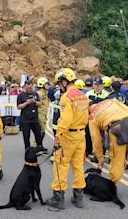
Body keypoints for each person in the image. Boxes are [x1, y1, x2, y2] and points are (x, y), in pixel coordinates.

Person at [46, 68, 89, 210]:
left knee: (60, 165)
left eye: (60, 82)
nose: (59, 85)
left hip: (68, 136)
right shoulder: (82, 95)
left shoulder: (66, 97)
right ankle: (78, 198)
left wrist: (57, 136)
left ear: (65, 81)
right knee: (78, 166)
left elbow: (66, 119)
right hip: (81, 135)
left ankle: (58, 198)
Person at [89, 99, 128, 196]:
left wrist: (100, 158)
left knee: (117, 159)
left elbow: (96, 139)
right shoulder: (111, 101)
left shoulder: (92, 117)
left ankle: (112, 184)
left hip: (115, 129)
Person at [17, 80, 44, 150]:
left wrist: (34, 102)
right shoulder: (21, 95)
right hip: (25, 119)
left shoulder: (35, 94)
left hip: (34, 118)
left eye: (30, 87)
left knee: (38, 134)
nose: (29, 89)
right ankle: (27, 150)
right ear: (25, 86)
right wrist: (26, 103)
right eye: (27, 87)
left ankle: (39, 148)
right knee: (26, 136)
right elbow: (19, 107)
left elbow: (40, 104)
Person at [36, 77, 51, 142]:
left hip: (44, 115)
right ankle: (37, 146)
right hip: (40, 115)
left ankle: (40, 145)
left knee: (43, 132)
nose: (48, 85)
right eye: (46, 84)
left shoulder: (45, 93)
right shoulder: (39, 93)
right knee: (40, 132)